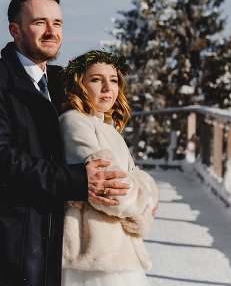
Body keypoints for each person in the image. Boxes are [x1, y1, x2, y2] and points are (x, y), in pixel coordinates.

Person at [0, 0, 131, 286]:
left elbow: (95, 128)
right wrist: (77, 180)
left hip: (53, 245)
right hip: (8, 249)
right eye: (40, 22)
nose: (52, 31)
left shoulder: (61, 84)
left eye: (58, 23)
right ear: (15, 30)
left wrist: (138, 187)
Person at [58, 50, 159, 286]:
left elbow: (128, 181)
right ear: (78, 84)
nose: (107, 87)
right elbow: (109, 187)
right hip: (95, 253)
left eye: (113, 80)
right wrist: (146, 198)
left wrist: (141, 193)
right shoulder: (74, 121)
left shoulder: (107, 126)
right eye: (96, 79)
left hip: (118, 248)